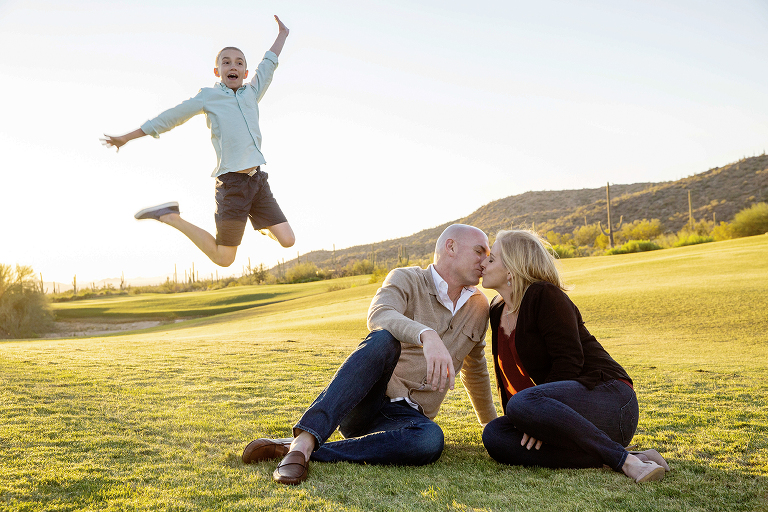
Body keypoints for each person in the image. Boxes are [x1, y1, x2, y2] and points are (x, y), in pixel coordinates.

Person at [241, 224, 498, 485]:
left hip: (406, 420)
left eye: (488, 254)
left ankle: (304, 450)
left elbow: (475, 368)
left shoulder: (479, 307)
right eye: (479, 251)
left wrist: (490, 427)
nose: (485, 260)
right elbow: (379, 314)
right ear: (451, 247)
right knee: (383, 339)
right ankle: (304, 440)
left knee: (429, 440)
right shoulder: (406, 278)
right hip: (366, 402)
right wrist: (426, 335)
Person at [100, 16, 295, 267]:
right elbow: (170, 117)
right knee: (224, 259)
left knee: (288, 240)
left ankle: (255, 219)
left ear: (245, 72)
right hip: (233, 186)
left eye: (238, 63)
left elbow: (269, 63)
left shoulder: (252, 91)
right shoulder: (209, 97)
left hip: (257, 181)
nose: (232, 66)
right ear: (218, 71)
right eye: (226, 62)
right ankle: (171, 216)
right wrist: (128, 137)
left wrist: (283, 34)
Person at [479, 229, 670, 483]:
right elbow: (508, 375)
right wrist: (533, 419)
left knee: (519, 406)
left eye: (491, 259)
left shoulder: (544, 295)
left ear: (512, 269)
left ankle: (627, 463)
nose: (483, 263)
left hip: (612, 400)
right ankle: (618, 454)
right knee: (494, 434)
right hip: (557, 413)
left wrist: (537, 414)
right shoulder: (496, 308)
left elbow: (569, 361)